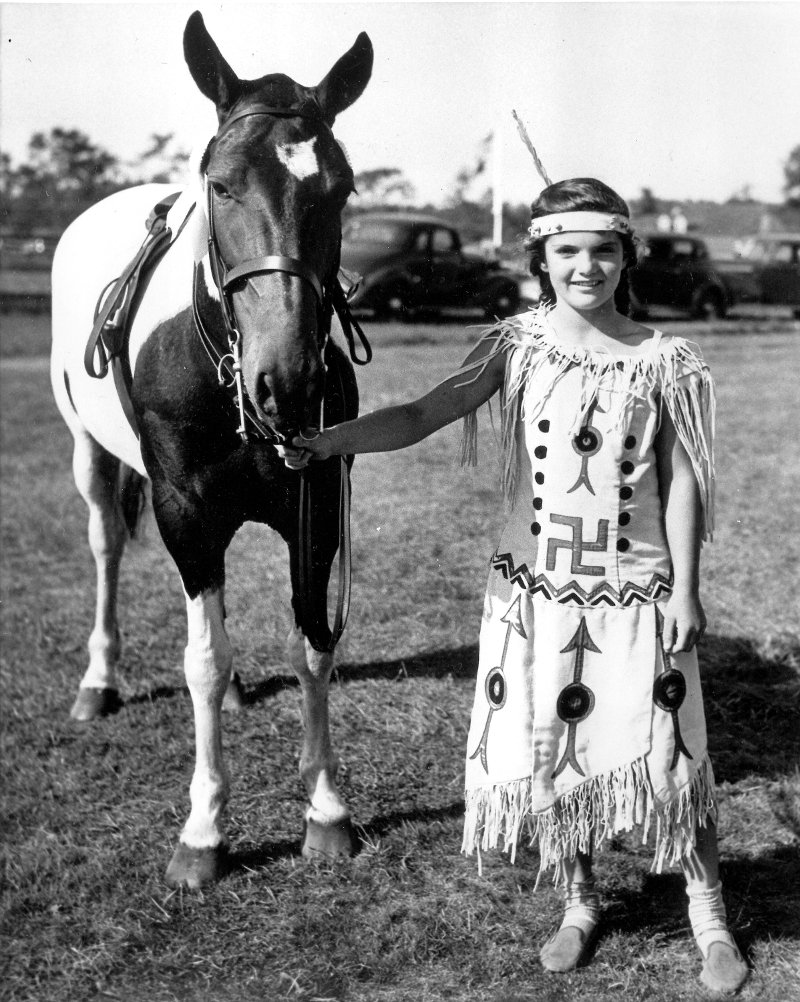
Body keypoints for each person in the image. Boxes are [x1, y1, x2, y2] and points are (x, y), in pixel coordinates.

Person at [280, 177, 748, 995]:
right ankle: (578, 900)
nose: (587, 265)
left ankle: (706, 909)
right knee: (549, 748)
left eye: (604, 249)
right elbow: (425, 413)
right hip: (534, 591)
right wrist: (331, 440)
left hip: (636, 589)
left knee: (673, 752)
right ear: (540, 259)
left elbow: (681, 483)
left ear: (625, 256)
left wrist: (686, 587)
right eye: (568, 250)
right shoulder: (514, 345)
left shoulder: (663, 357)